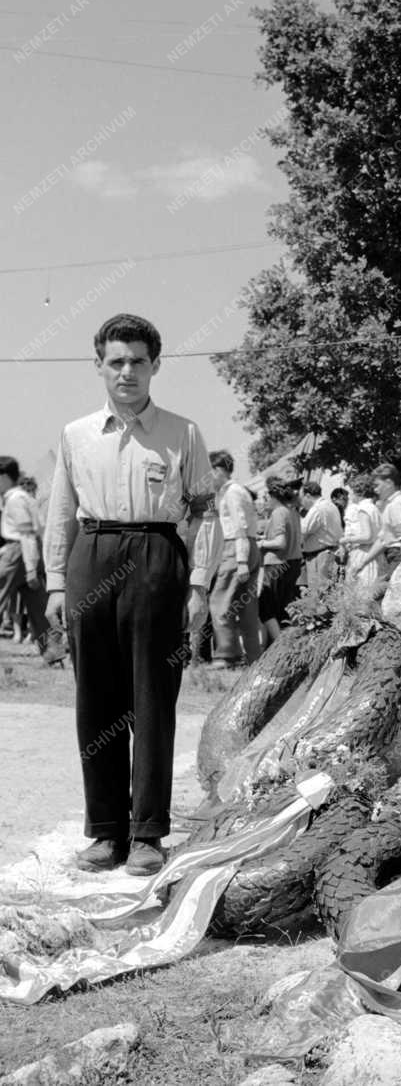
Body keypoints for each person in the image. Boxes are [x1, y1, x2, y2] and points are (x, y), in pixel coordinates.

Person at [44, 313, 212, 875]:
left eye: (138, 360)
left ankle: (147, 834)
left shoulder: (183, 432)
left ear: (155, 365)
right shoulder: (75, 434)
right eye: (116, 361)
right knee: (97, 702)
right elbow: (61, 513)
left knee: (151, 701)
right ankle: (106, 831)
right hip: (92, 555)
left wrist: (197, 584)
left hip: (157, 559)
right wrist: (56, 583)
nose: (127, 371)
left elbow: (203, 516)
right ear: (99, 367)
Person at [0, 457, 62, 664]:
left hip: (17, 553)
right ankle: (53, 651)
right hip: (31, 552)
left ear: (5, 478)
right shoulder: (25, 497)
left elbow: (25, 533)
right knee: (38, 607)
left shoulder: (15, 499)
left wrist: (29, 568)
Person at [208, 450, 262, 665]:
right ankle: (253, 655)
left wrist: (240, 560)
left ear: (218, 470)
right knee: (246, 606)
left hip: (236, 546)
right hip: (250, 545)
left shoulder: (231, 493)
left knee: (219, 601)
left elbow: (239, 526)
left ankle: (227, 654)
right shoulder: (242, 491)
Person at [257, 476, 303, 644]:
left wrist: (260, 543)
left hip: (277, 565)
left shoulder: (278, 513)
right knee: (283, 610)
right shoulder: (292, 512)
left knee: (267, 608)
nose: (265, 502)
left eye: (266, 498)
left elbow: (280, 542)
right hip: (292, 563)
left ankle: (279, 646)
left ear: (273, 496)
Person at [350, 463, 401, 583]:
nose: (375, 490)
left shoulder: (397, 505)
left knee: (378, 596)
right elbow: (383, 539)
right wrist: (362, 563)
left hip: (399, 557)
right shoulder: (391, 505)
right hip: (394, 556)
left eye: (378, 485)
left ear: (389, 483)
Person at [185, 495, 221, 665]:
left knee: (196, 612)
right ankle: (195, 656)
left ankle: (196, 657)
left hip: (194, 562)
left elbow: (208, 521)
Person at [299, 480, 342, 595]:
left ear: (307, 496)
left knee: (318, 595)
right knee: (326, 592)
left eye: (301, 498)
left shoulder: (317, 508)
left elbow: (302, 530)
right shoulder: (331, 506)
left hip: (319, 556)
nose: (301, 502)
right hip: (330, 552)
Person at [343, 474, 382, 586]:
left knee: (359, 593)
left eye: (350, 492)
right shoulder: (374, 507)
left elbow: (367, 536)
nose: (349, 496)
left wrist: (346, 539)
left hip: (364, 553)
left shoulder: (363, 509)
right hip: (374, 554)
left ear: (358, 492)